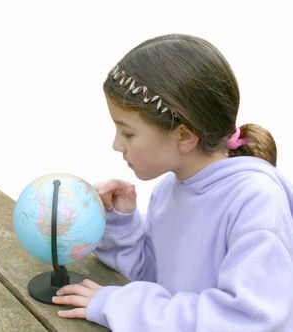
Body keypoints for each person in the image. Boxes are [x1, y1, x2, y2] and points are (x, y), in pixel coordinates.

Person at [51, 34, 293, 331]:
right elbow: (160, 279)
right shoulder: (170, 189)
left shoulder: (257, 203)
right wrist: (124, 226)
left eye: (127, 133)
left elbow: (248, 318)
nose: (116, 144)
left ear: (184, 136)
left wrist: (117, 304)